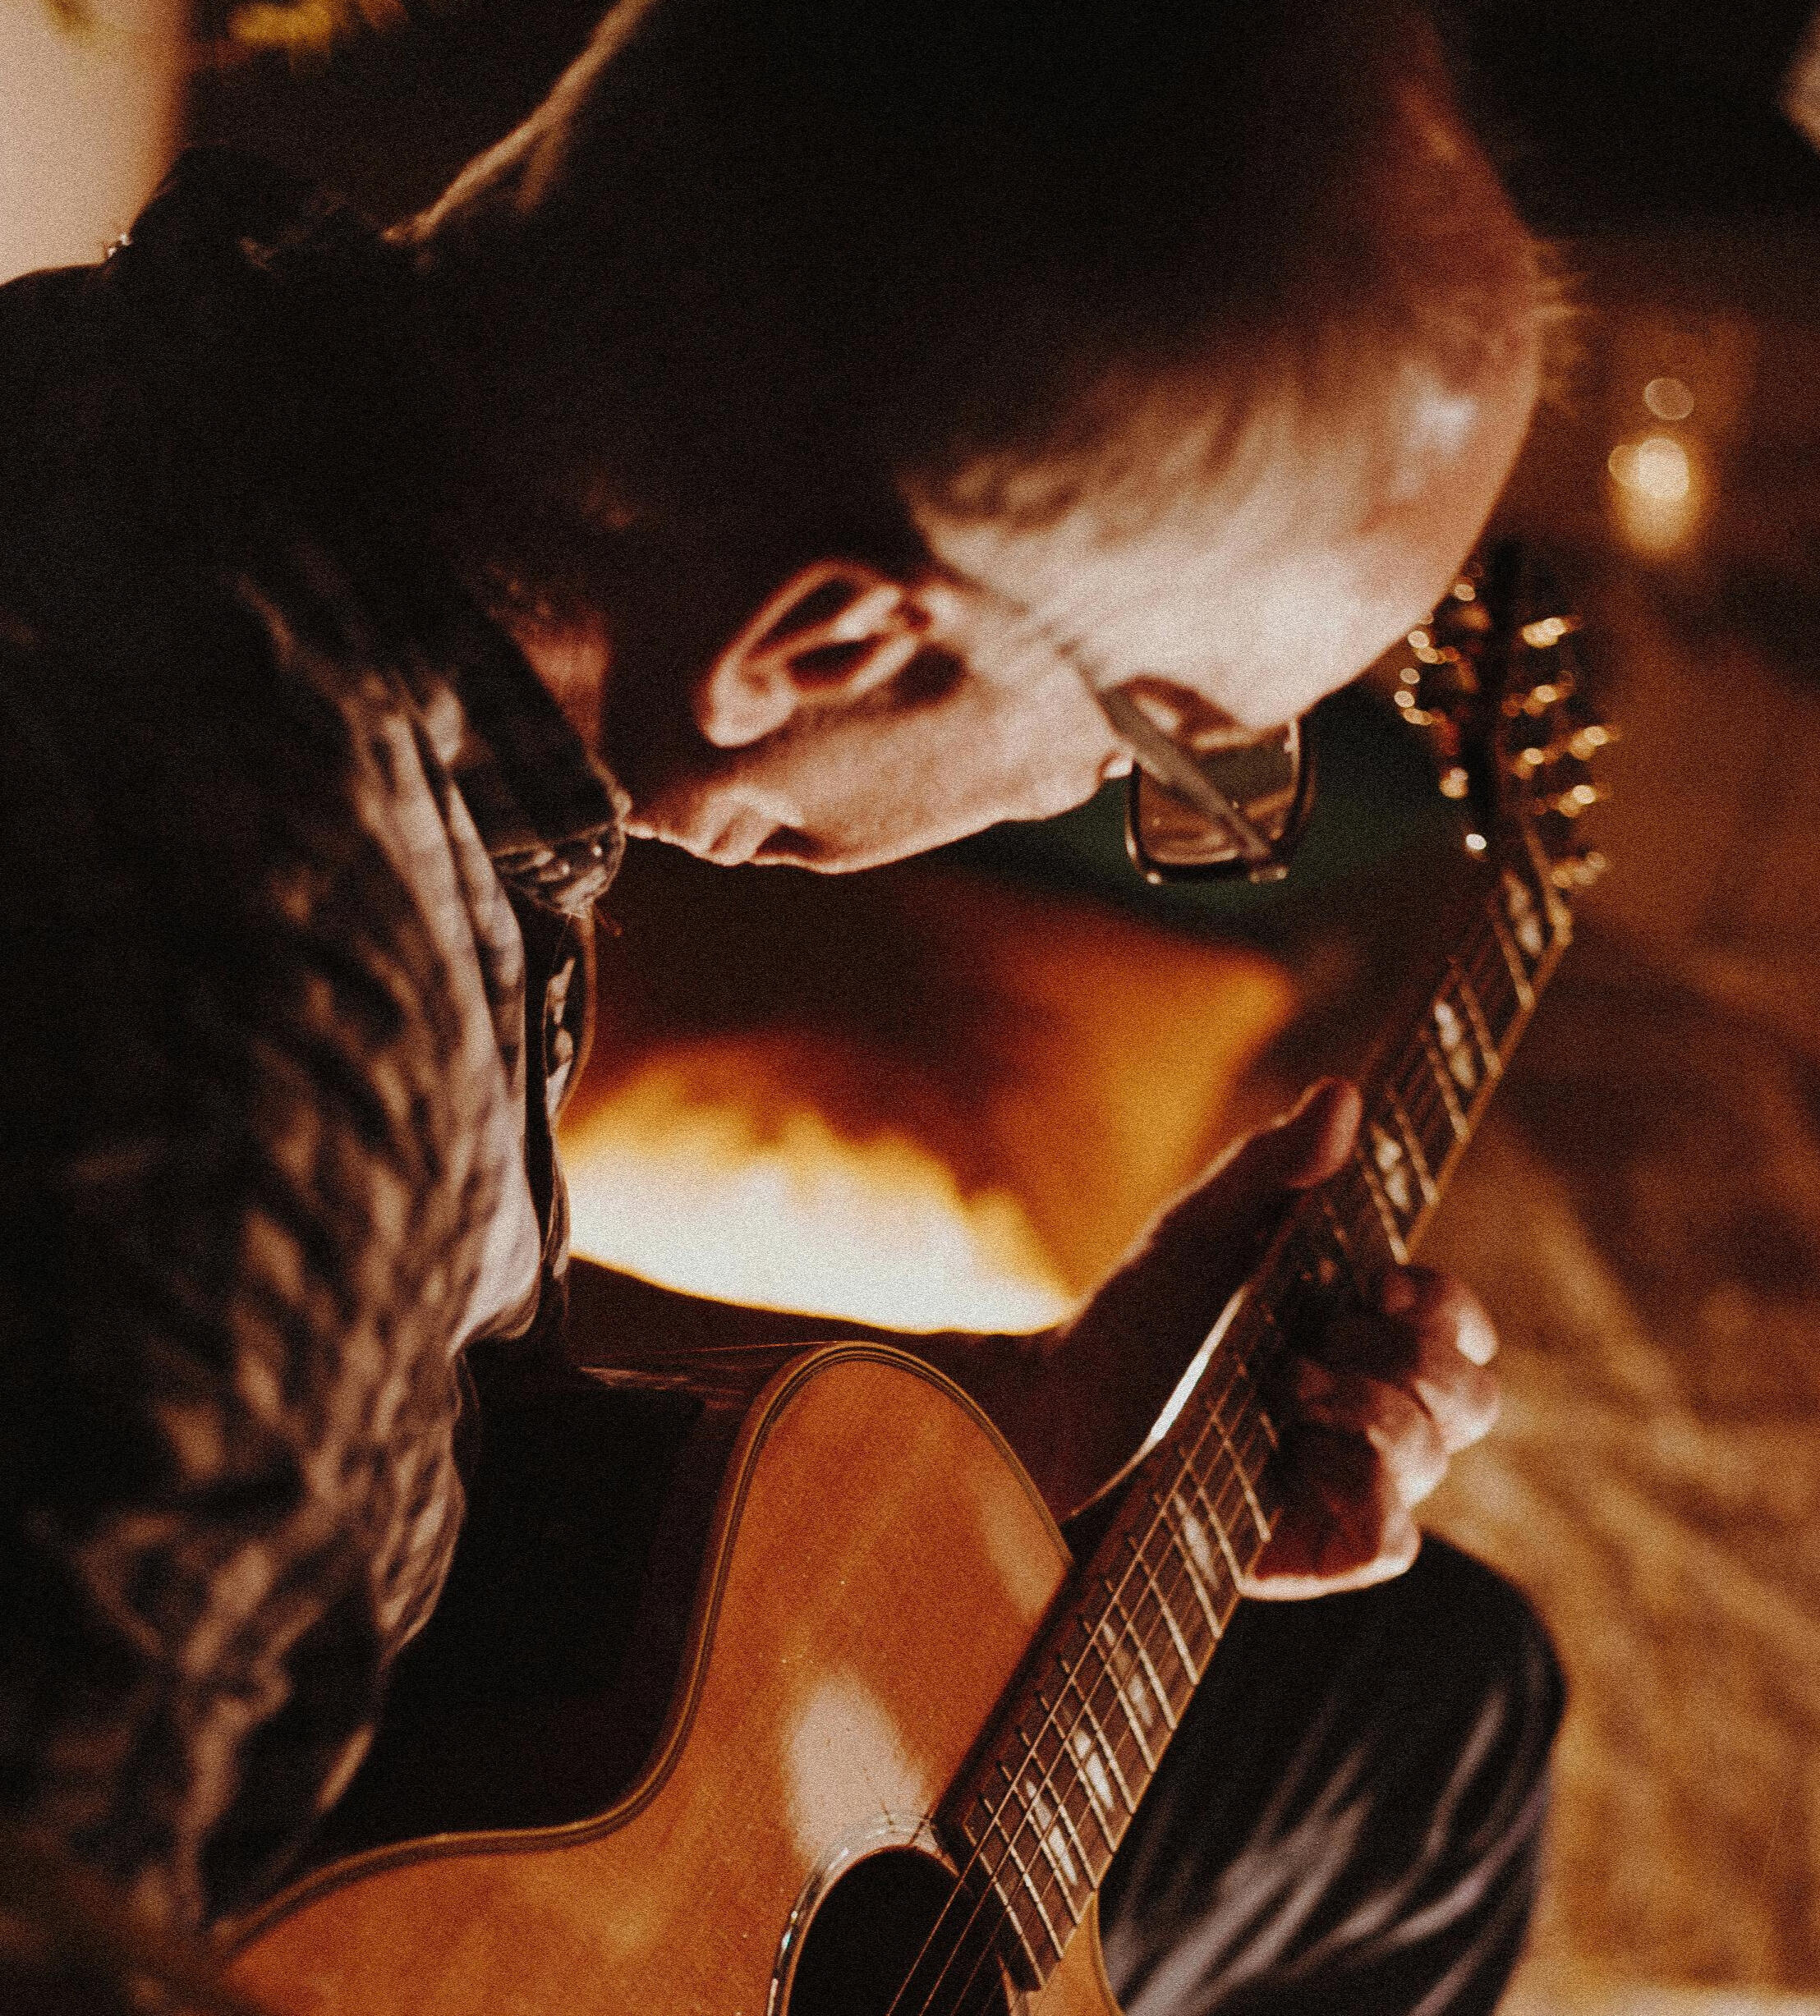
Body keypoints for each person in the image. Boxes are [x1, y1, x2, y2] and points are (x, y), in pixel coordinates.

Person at [0, 0, 1561, 2009]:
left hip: (408, 1754)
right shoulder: (263, 1063)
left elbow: (399, 1478)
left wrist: (1041, 1434)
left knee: (1427, 1704)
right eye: (1162, 760)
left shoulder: (153, 398)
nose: (1101, 803)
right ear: (825, 639)